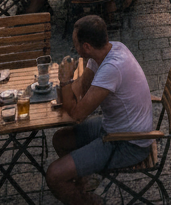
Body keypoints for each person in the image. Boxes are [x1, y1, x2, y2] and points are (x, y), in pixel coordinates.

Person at [48, 16, 154, 205]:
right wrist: (69, 89)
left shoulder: (111, 68)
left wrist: (64, 81)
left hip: (128, 143)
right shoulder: (110, 49)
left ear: (87, 47)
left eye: (76, 44)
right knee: (60, 139)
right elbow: (82, 86)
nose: (74, 49)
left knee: (54, 175)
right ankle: (82, 186)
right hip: (113, 127)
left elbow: (77, 115)